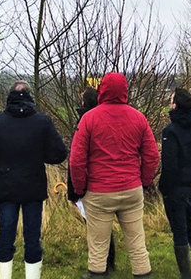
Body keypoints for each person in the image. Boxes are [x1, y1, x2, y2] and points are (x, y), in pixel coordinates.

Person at [0, 81, 67, 279]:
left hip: (6, 186)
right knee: (32, 239)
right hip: (33, 185)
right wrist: (40, 156)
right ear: (30, 97)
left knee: (6, 236)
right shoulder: (43, 121)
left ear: (9, 97)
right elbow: (59, 153)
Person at [69, 72, 160, 279]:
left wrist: (81, 188)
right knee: (138, 245)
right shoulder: (138, 117)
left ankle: (97, 275)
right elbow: (152, 156)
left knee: (98, 248)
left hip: (99, 192)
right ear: (125, 91)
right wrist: (143, 182)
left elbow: (76, 160)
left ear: (102, 90)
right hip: (131, 189)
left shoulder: (89, 118)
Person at [159, 88, 191, 279]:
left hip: (175, 188)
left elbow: (169, 165)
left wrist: (164, 188)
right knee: (190, 227)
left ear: (174, 105)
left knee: (179, 231)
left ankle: (186, 275)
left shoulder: (170, 131)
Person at [66, 87, 116, 274]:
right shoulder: (104, 121)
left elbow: (76, 160)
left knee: (96, 230)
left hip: (90, 185)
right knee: (102, 228)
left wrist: (75, 190)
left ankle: (101, 268)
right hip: (102, 182)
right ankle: (108, 264)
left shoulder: (85, 122)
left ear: (84, 103)